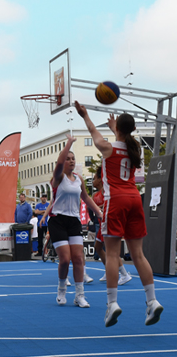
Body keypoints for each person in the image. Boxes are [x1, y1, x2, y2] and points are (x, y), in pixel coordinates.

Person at [76, 101, 163, 326]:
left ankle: (112, 304)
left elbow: (93, 132)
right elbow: (123, 139)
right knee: (138, 255)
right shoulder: (135, 150)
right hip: (135, 199)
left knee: (113, 254)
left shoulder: (109, 148)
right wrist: (117, 128)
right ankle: (152, 301)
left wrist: (84, 115)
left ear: (119, 130)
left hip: (116, 200)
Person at [48, 133, 102, 309]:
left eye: (73, 158)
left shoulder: (78, 179)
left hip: (74, 221)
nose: (71, 161)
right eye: (68, 158)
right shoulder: (58, 177)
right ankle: (61, 289)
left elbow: (86, 198)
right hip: (58, 220)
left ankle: (80, 295)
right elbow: (58, 163)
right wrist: (69, 143)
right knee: (65, 259)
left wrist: (99, 212)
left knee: (78, 258)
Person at [92, 166, 132, 285]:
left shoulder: (106, 190)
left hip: (109, 222)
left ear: (100, 179)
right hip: (101, 223)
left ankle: (124, 274)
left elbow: (112, 204)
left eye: (94, 178)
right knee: (98, 248)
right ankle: (109, 270)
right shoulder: (95, 195)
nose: (92, 181)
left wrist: (102, 209)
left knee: (110, 250)